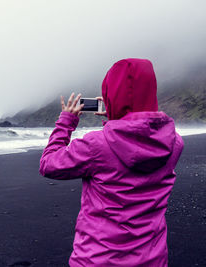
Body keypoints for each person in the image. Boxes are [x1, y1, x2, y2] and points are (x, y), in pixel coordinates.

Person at [39, 58, 184, 266]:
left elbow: (48, 164)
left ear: (110, 94)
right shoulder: (174, 143)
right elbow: (137, 137)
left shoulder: (96, 146)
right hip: (152, 260)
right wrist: (121, 117)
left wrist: (66, 121)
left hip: (97, 260)